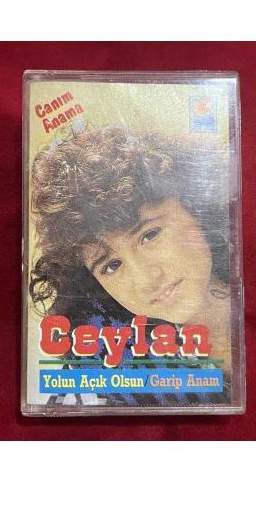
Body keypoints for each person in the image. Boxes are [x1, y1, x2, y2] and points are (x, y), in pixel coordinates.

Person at [29, 124, 231, 407]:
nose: (146, 279)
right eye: (111, 266)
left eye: (149, 235)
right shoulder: (111, 378)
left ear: (195, 208)